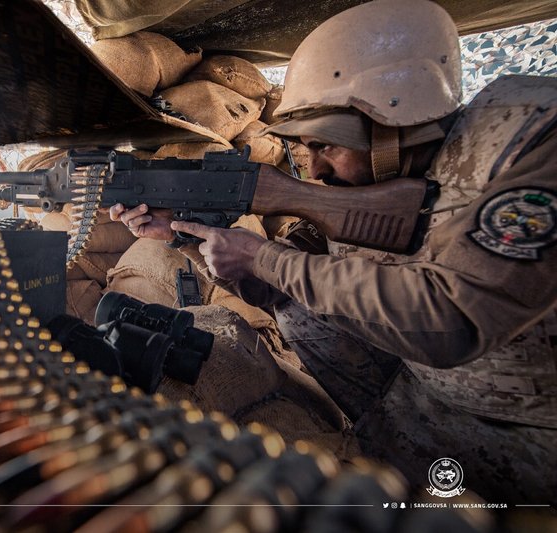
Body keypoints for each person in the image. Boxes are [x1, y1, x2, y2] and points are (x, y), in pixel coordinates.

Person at [110, 0, 557, 504]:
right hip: (416, 407)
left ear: (394, 115)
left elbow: (453, 318)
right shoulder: (372, 184)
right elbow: (279, 286)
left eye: (329, 145)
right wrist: (185, 235)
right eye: (306, 148)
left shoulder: (535, 142)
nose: (315, 171)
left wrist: (265, 257)